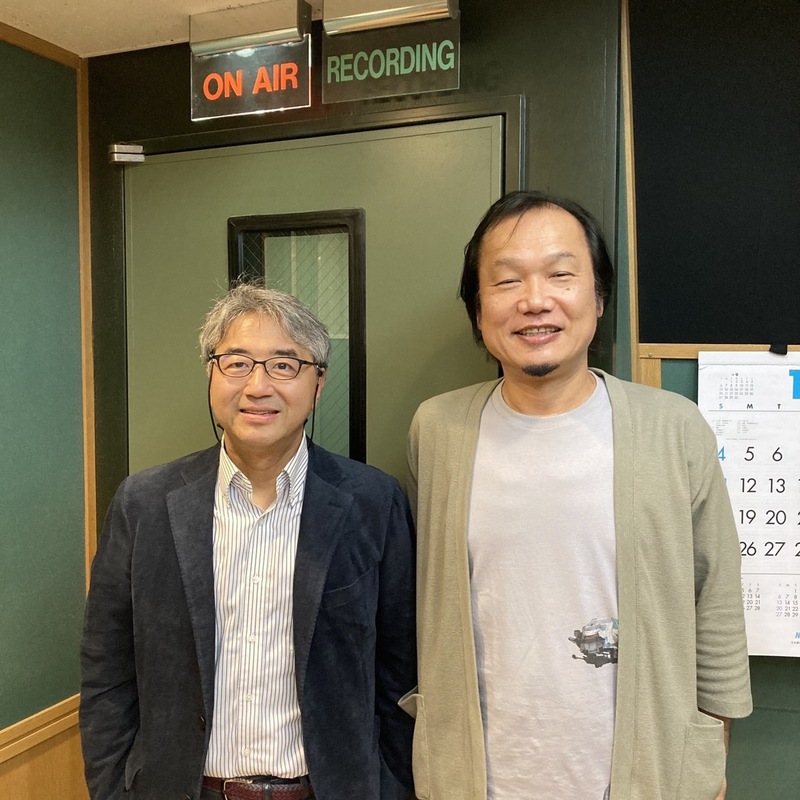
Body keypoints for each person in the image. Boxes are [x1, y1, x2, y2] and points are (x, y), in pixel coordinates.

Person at [405, 191, 752, 800]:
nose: (535, 300)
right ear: (479, 311)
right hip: (477, 777)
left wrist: (710, 750)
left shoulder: (673, 428)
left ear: (599, 298)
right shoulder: (438, 431)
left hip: (643, 775)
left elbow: (715, 595)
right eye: (506, 280)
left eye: (561, 275)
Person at [81, 284, 416, 800]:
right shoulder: (144, 503)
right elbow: (107, 670)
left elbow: (400, 670)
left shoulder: (373, 501)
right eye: (237, 363)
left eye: (284, 365)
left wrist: (390, 787)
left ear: (318, 383)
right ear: (211, 375)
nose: (258, 386)